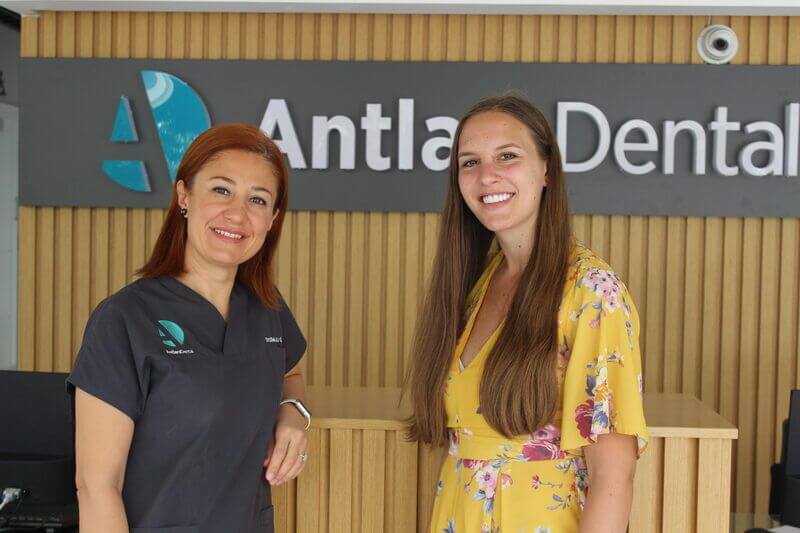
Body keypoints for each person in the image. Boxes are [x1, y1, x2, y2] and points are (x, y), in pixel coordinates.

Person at [407, 95, 648, 532]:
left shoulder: (591, 291)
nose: (486, 176)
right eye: (469, 162)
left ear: (547, 171)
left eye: (508, 156)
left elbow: (614, 477)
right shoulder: (479, 282)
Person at [67, 124, 311, 533]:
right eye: (221, 190)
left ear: (272, 219)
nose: (237, 213)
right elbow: (96, 486)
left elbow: (291, 373)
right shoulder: (124, 319)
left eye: (258, 199)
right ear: (184, 196)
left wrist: (293, 415)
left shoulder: (267, 307)